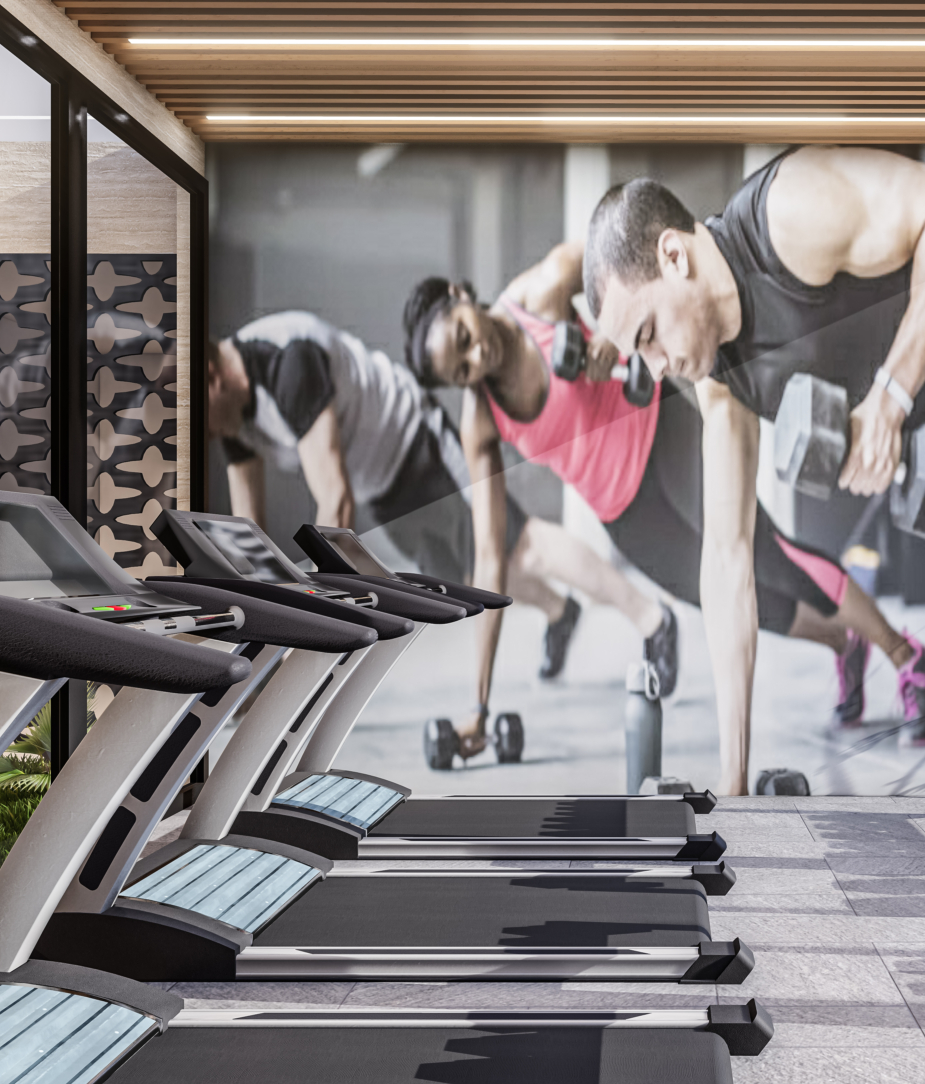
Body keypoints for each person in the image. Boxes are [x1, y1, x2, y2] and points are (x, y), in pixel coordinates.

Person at [583, 146, 925, 793]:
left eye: (648, 334)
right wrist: (733, 785)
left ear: (673, 256)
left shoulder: (788, 214)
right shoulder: (720, 383)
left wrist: (890, 396)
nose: (655, 367)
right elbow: (727, 561)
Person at [404, 242, 925, 785]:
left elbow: (626, 262)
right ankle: (843, 642)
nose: (477, 360)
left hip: (664, 435)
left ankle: (906, 656)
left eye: (464, 339)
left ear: (460, 296)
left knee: (767, 557)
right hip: (626, 513)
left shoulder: (543, 289)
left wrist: (611, 337)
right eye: (461, 372)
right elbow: (491, 558)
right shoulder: (481, 423)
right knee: (727, 601)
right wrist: (479, 704)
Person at [205, 310, 650, 760]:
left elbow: (335, 506)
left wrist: (296, 646)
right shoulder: (231, 407)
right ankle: (560, 611)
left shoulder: (288, 364)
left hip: (417, 442)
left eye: (203, 427)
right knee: (465, 577)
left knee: (518, 545)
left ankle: (650, 617)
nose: (208, 438)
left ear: (210, 379)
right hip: (382, 487)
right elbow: (250, 549)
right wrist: (255, 655)